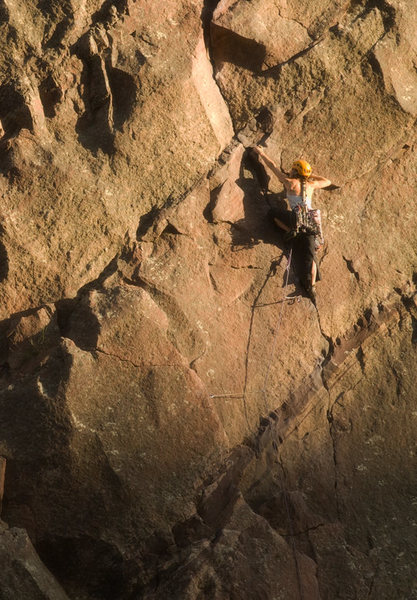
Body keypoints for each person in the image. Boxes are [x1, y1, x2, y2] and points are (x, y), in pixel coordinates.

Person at [252, 147, 331, 303]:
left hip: (296, 219)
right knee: (311, 256)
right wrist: (309, 176)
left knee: (272, 214)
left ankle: (290, 231)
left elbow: (273, 166)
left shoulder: (289, 182)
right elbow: (327, 181)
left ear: (295, 171)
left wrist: (261, 153)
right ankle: (312, 286)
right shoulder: (311, 185)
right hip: (311, 222)